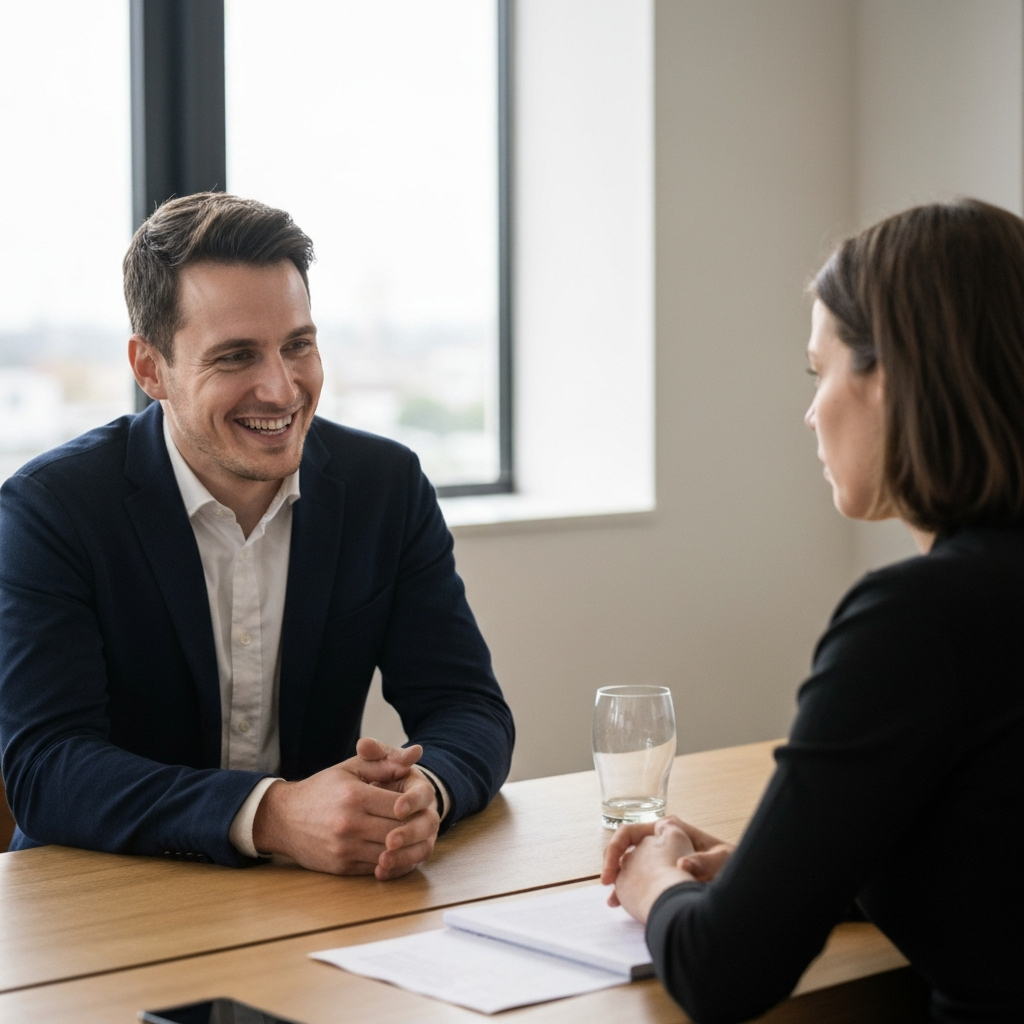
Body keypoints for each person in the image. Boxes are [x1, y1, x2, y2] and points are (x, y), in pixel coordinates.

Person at [0, 193, 514, 878]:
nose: (280, 388)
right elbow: (48, 767)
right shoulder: (50, 510)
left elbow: (467, 707)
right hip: (101, 900)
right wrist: (271, 814)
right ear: (150, 368)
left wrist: (425, 792)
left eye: (298, 345)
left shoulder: (383, 487)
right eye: (236, 356)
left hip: (311, 898)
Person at [602, 199, 1024, 1024]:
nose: (810, 411)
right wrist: (782, 874)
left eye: (818, 371)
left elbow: (725, 975)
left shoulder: (919, 619)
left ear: (892, 379)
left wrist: (651, 883)